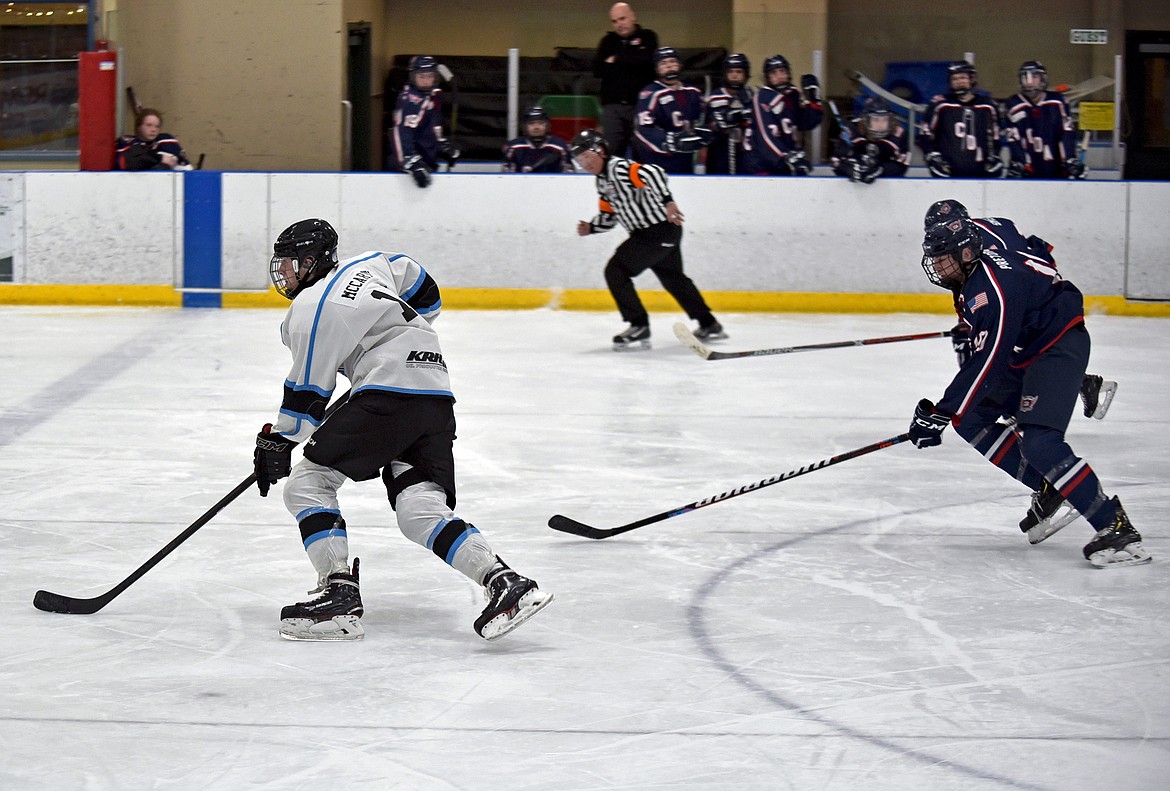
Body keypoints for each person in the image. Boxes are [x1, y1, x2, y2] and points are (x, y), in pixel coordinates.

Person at [253, 218, 553, 641]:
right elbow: (424, 292)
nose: (282, 273)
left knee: (307, 484)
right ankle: (505, 583)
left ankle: (339, 594)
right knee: (419, 509)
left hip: (386, 397)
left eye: (288, 264)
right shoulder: (372, 262)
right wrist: (399, 338)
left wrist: (276, 442)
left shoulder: (307, 311)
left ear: (309, 261)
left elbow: (305, 401)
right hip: (434, 391)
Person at [909, 212, 1150, 568]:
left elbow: (988, 363)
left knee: (1040, 442)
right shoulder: (974, 276)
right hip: (1031, 348)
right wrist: (950, 410)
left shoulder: (992, 290)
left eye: (943, 259)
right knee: (972, 417)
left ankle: (1114, 526)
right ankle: (1051, 487)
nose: (937, 268)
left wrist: (940, 412)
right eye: (934, 260)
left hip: (1058, 345)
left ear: (964, 254)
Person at [923, 199, 1118, 427]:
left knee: (997, 352)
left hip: (1028, 293)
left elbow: (993, 286)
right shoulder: (983, 230)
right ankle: (1074, 383)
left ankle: (1018, 406)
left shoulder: (971, 248)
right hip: (1039, 279)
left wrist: (972, 328)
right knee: (1018, 349)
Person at [570, 129, 725, 349]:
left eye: (587, 156)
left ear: (601, 151)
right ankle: (709, 324)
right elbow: (610, 215)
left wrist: (668, 202)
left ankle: (639, 325)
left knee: (616, 270)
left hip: (657, 231)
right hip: (656, 233)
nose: (585, 163)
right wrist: (592, 227)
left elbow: (654, 173)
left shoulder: (618, 168)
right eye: (580, 159)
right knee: (673, 278)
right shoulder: (602, 181)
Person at [593, 2, 658, 158]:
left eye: (622, 19)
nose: (619, 24)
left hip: (641, 106)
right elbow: (597, 70)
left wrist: (615, 59)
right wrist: (631, 57)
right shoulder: (607, 41)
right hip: (613, 107)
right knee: (611, 153)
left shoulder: (648, 37)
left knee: (642, 151)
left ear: (633, 17)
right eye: (614, 21)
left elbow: (645, 61)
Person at [631, 46, 710, 174]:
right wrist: (669, 140)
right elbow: (643, 129)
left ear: (679, 65)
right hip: (658, 160)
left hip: (685, 159)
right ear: (657, 68)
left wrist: (704, 133)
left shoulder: (693, 92)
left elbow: (700, 122)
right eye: (664, 63)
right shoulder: (650, 93)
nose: (669, 66)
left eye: (672, 62)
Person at [918, 61, 1003, 179]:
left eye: (963, 77)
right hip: (948, 173)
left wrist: (994, 157)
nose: (959, 82)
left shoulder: (988, 106)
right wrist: (933, 157)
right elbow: (925, 135)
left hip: (981, 174)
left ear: (972, 79)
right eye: (955, 79)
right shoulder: (940, 104)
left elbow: (996, 137)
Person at [1003, 61, 1086, 180]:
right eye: (1025, 77)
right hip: (1026, 171)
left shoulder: (1057, 102)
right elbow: (1014, 139)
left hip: (1055, 169)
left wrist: (1070, 159)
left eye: (1034, 76)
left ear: (1043, 79)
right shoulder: (1013, 104)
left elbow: (1067, 134)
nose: (1029, 82)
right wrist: (1020, 163)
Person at [388, 55, 460, 188]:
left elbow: (427, 131)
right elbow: (401, 132)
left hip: (426, 164)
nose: (426, 81)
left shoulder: (432, 97)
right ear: (413, 77)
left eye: (429, 76)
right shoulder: (413, 100)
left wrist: (441, 145)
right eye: (421, 77)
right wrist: (412, 162)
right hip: (408, 171)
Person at [744, 55, 823, 176]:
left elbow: (805, 123)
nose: (779, 76)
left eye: (782, 71)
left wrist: (814, 101)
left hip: (784, 164)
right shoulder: (763, 97)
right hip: (762, 166)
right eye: (774, 73)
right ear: (767, 77)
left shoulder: (792, 94)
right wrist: (785, 157)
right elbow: (765, 136)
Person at [830, 97, 910, 183]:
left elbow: (903, 165)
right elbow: (835, 160)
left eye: (885, 120)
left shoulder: (898, 134)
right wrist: (848, 169)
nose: (880, 125)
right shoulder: (852, 130)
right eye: (875, 120)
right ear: (866, 120)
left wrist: (880, 170)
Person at [703, 53, 754, 175]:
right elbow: (706, 126)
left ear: (746, 75)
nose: (734, 75)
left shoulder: (753, 96)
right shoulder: (714, 97)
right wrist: (718, 123)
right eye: (731, 71)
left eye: (738, 71)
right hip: (719, 155)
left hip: (745, 155)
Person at [114, 108, 191, 171]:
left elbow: (168, 165)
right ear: (139, 126)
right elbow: (128, 161)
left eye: (157, 126)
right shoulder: (127, 141)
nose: (153, 130)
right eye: (149, 125)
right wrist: (159, 158)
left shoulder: (164, 140)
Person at [502, 106, 573, 173]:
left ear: (547, 125)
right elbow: (506, 177)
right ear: (525, 126)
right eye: (531, 123)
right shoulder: (513, 147)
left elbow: (569, 177)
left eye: (541, 123)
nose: (536, 127)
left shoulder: (560, 147)